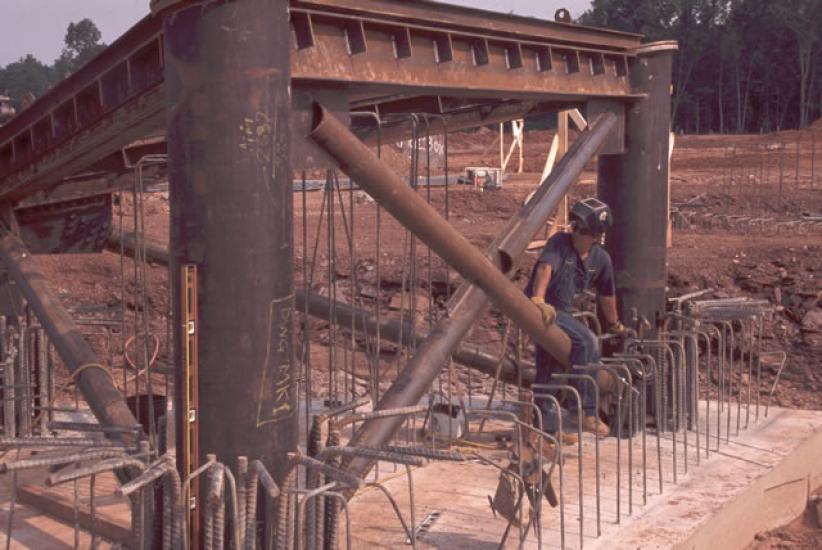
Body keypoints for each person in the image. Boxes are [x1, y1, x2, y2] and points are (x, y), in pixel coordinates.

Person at [526, 197, 625, 443]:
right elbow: (545, 268)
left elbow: (606, 294)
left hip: (563, 312)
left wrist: (615, 324)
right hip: (546, 308)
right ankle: (583, 411)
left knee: (550, 366)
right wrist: (538, 300)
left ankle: (546, 431)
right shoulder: (560, 243)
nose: (575, 232)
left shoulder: (600, 259)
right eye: (575, 227)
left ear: (596, 236)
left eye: (582, 230)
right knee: (587, 341)